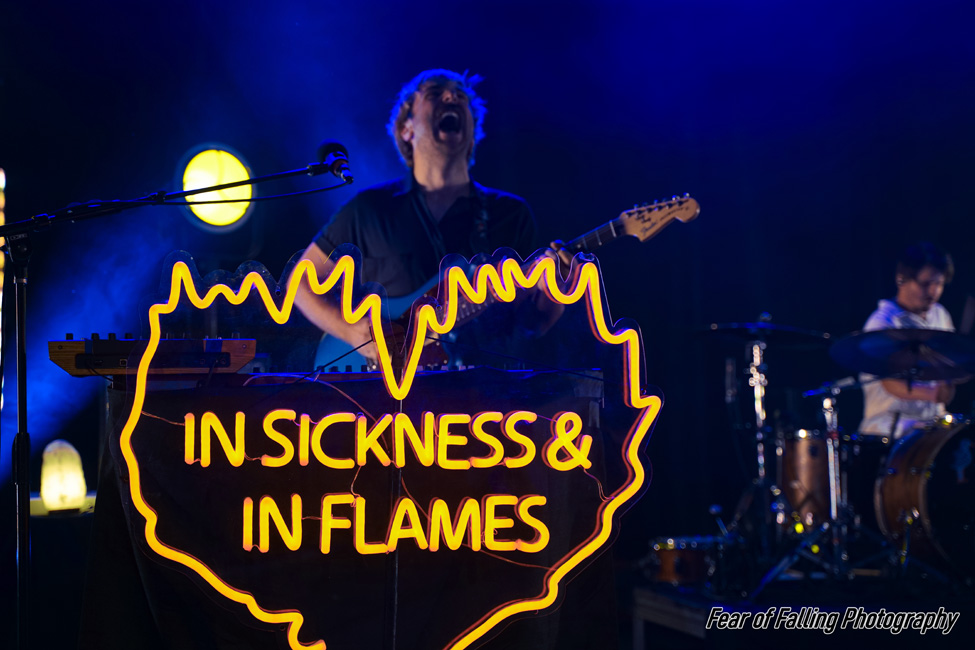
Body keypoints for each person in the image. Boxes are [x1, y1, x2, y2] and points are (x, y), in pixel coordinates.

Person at [293, 68, 567, 367]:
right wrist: (350, 331)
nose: (451, 97)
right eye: (436, 94)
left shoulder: (510, 214)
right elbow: (301, 282)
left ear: (474, 129)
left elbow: (532, 324)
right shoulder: (370, 209)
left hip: (482, 396)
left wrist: (559, 289)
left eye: (461, 97)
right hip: (383, 392)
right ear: (406, 129)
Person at [858, 242, 956, 439]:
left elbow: (952, 362)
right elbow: (889, 382)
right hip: (890, 428)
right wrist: (933, 394)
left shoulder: (940, 314)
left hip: (932, 422)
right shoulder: (882, 323)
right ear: (901, 279)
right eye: (926, 284)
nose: (933, 291)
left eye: (939, 284)